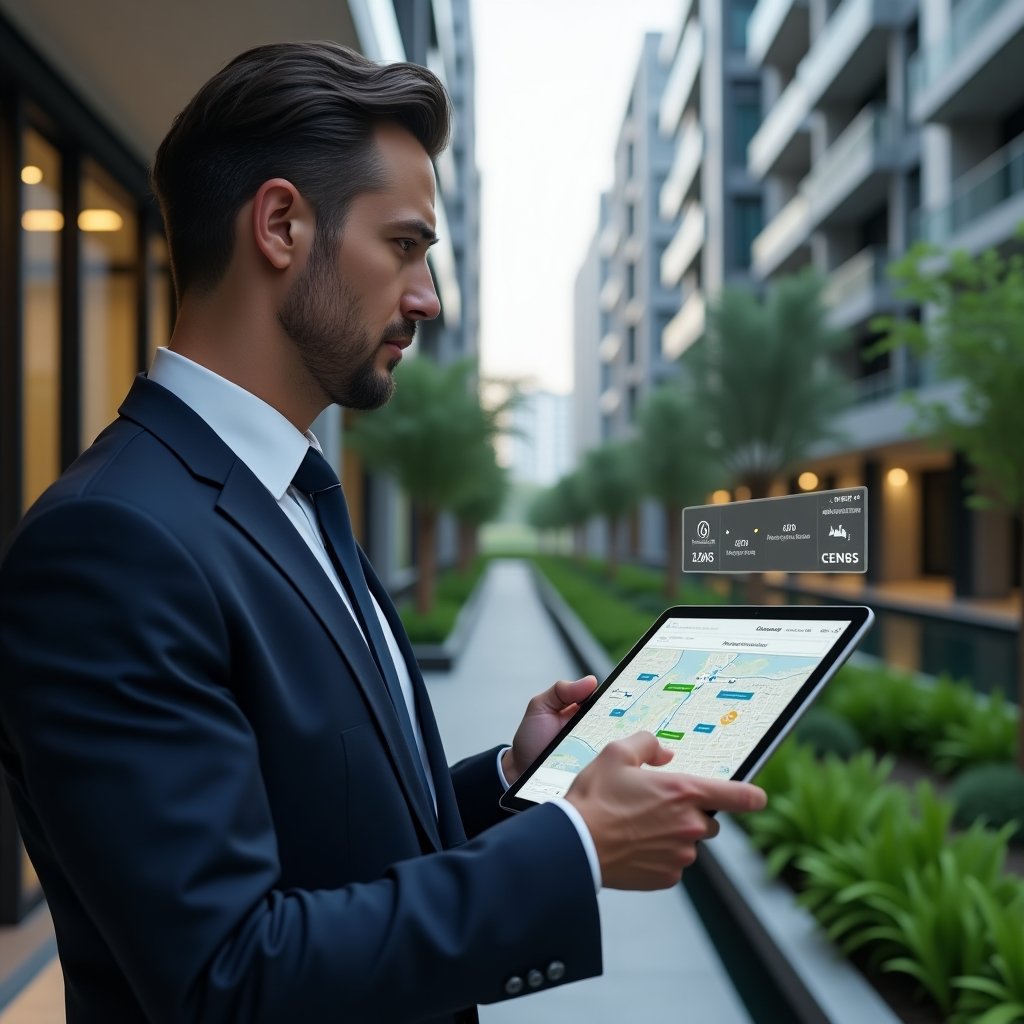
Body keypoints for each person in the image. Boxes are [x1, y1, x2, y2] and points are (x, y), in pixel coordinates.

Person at [0, 42, 766, 1024]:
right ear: (280, 224)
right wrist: (575, 845)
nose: (427, 299)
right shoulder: (108, 545)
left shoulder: (292, 494)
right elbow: (227, 979)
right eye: (404, 245)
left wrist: (513, 783)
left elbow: (327, 838)